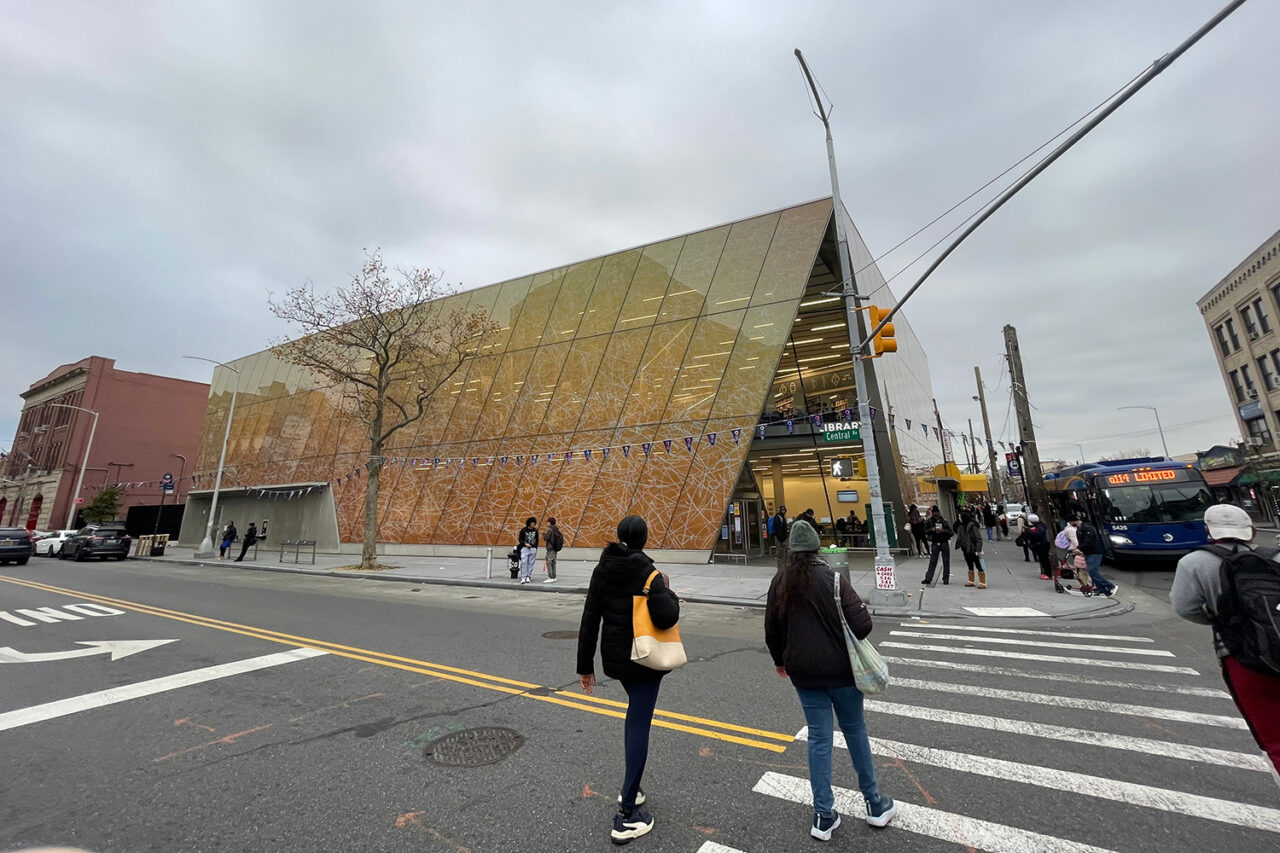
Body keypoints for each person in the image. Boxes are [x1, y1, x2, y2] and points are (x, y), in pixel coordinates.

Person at [764, 519, 897, 841]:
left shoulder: (780, 581)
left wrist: (781, 662)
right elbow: (863, 626)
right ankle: (875, 804)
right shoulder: (834, 580)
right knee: (855, 731)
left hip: (804, 674)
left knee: (819, 739)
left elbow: (772, 630)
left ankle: (823, 815)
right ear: (817, 547)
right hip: (843, 671)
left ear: (790, 550)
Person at [577, 516, 681, 844]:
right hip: (644, 661)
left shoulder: (603, 568)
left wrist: (585, 667)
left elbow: (590, 618)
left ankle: (631, 791)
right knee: (639, 724)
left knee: (633, 717)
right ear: (644, 539)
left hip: (616, 660)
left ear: (620, 536)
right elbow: (667, 616)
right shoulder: (649, 573)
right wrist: (669, 591)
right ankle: (625, 817)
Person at [1170, 504, 1280, 782]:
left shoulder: (1194, 562)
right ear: (1251, 531)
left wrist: (1223, 620)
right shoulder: (1276, 556)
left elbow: (1185, 607)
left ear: (1208, 531)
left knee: (1273, 734)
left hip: (1241, 654)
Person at [1074, 515, 1115, 596]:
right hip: (1088, 553)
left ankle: (1109, 585)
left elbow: (1089, 541)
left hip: (1094, 553)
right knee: (1092, 572)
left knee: (1092, 571)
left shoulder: (1087, 528)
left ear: (1073, 521)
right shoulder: (1079, 529)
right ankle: (1102, 590)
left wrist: (1079, 548)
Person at [922, 506, 954, 585]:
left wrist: (943, 530)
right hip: (935, 542)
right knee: (933, 561)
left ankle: (945, 579)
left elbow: (951, 532)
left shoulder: (944, 521)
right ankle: (928, 578)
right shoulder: (929, 521)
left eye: (937, 514)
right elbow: (924, 531)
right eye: (934, 514)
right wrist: (932, 530)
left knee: (946, 561)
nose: (936, 516)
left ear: (939, 513)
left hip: (944, 542)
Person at [955, 509, 987, 588]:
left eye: (960, 517)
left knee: (978, 564)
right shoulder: (961, 526)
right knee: (969, 564)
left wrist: (978, 549)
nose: (959, 518)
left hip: (973, 548)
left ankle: (982, 582)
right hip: (965, 548)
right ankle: (971, 580)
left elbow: (978, 538)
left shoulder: (972, 526)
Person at [1026, 513, 1051, 578]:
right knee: (1043, 560)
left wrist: (1029, 531)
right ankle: (1046, 573)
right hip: (1041, 544)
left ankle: (1048, 574)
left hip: (1042, 544)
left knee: (1044, 560)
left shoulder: (1039, 526)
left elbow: (1037, 534)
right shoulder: (1039, 525)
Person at [517, 517, 539, 585]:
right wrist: (525, 544)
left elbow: (537, 539)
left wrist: (535, 547)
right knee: (524, 562)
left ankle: (528, 576)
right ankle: (523, 576)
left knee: (531, 563)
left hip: (533, 548)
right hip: (525, 548)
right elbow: (520, 539)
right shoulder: (524, 530)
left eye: (534, 523)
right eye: (532, 523)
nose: (533, 524)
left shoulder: (535, 530)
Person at [543, 517, 564, 583]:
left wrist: (543, 534)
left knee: (549, 562)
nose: (547, 523)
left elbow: (546, 538)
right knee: (553, 562)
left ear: (550, 522)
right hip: (555, 548)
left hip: (551, 548)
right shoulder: (556, 529)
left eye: (548, 522)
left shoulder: (550, 530)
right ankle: (554, 577)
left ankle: (550, 577)